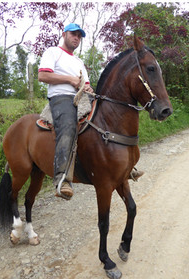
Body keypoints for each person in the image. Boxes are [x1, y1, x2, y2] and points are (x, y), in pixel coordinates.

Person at [38, 23, 143, 200]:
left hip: (81, 97)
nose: (76, 38)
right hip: (61, 98)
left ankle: (124, 166)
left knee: (107, 119)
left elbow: (85, 84)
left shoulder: (78, 62)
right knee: (69, 126)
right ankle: (62, 178)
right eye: (73, 34)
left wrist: (89, 90)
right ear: (64, 34)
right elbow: (43, 76)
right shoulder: (52, 52)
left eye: (79, 36)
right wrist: (70, 80)